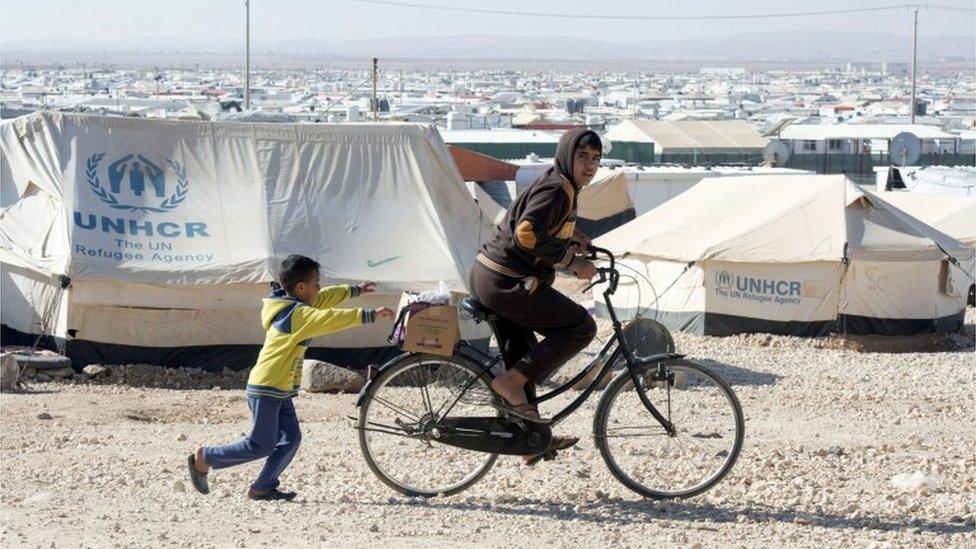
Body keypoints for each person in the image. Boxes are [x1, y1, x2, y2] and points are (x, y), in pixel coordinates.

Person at [187, 254, 394, 500]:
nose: (319, 289)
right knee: (260, 444)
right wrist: (368, 314)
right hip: (267, 386)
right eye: (316, 284)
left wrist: (355, 290)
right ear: (301, 287)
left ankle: (263, 486)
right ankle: (206, 457)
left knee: (291, 438)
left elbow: (325, 299)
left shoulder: (291, 304)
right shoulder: (296, 316)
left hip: (279, 387)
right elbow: (328, 318)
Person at [469, 128, 600, 463]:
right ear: (566, 155)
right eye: (582, 156)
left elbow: (541, 225)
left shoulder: (562, 184)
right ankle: (510, 385)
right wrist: (572, 262)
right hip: (506, 282)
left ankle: (527, 440)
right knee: (581, 327)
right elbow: (527, 233)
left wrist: (574, 236)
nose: (589, 165)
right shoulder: (558, 188)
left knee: (523, 353)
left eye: (595, 159)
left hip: (493, 276)